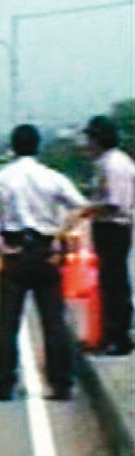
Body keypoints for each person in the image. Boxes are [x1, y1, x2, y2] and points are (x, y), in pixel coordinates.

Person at [0, 125, 87, 402]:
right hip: (45, 251)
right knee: (53, 320)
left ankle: (4, 382)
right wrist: (64, 233)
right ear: (37, 146)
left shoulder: (3, 178)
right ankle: (61, 382)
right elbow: (81, 206)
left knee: (8, 321)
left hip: (14, 251)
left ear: (13, 147)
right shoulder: (51, 177)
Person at [81, 115, 134, 356]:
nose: (87, 143)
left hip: (114, 228)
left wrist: (87, 211)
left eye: (90, 138)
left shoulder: (114, 165)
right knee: (109, 282)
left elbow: (114, 203)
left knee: (114, 283)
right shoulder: (105, 162)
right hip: (107, 228)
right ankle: (110, 333)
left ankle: (119, 336)